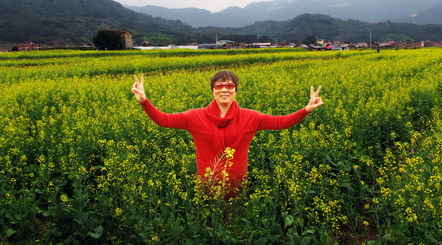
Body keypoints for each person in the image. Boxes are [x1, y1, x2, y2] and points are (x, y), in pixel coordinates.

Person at [131, 70, 324, 199]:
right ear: (213, 91)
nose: (224, 89)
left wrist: (306, 109)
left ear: (235, 91)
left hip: (237, 186)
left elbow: (281, 122)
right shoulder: (194, 117)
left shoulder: (251, 117)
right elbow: (163, 120)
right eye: (219, 86)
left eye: (230, 86)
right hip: (205, 186)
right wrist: (144, 101)